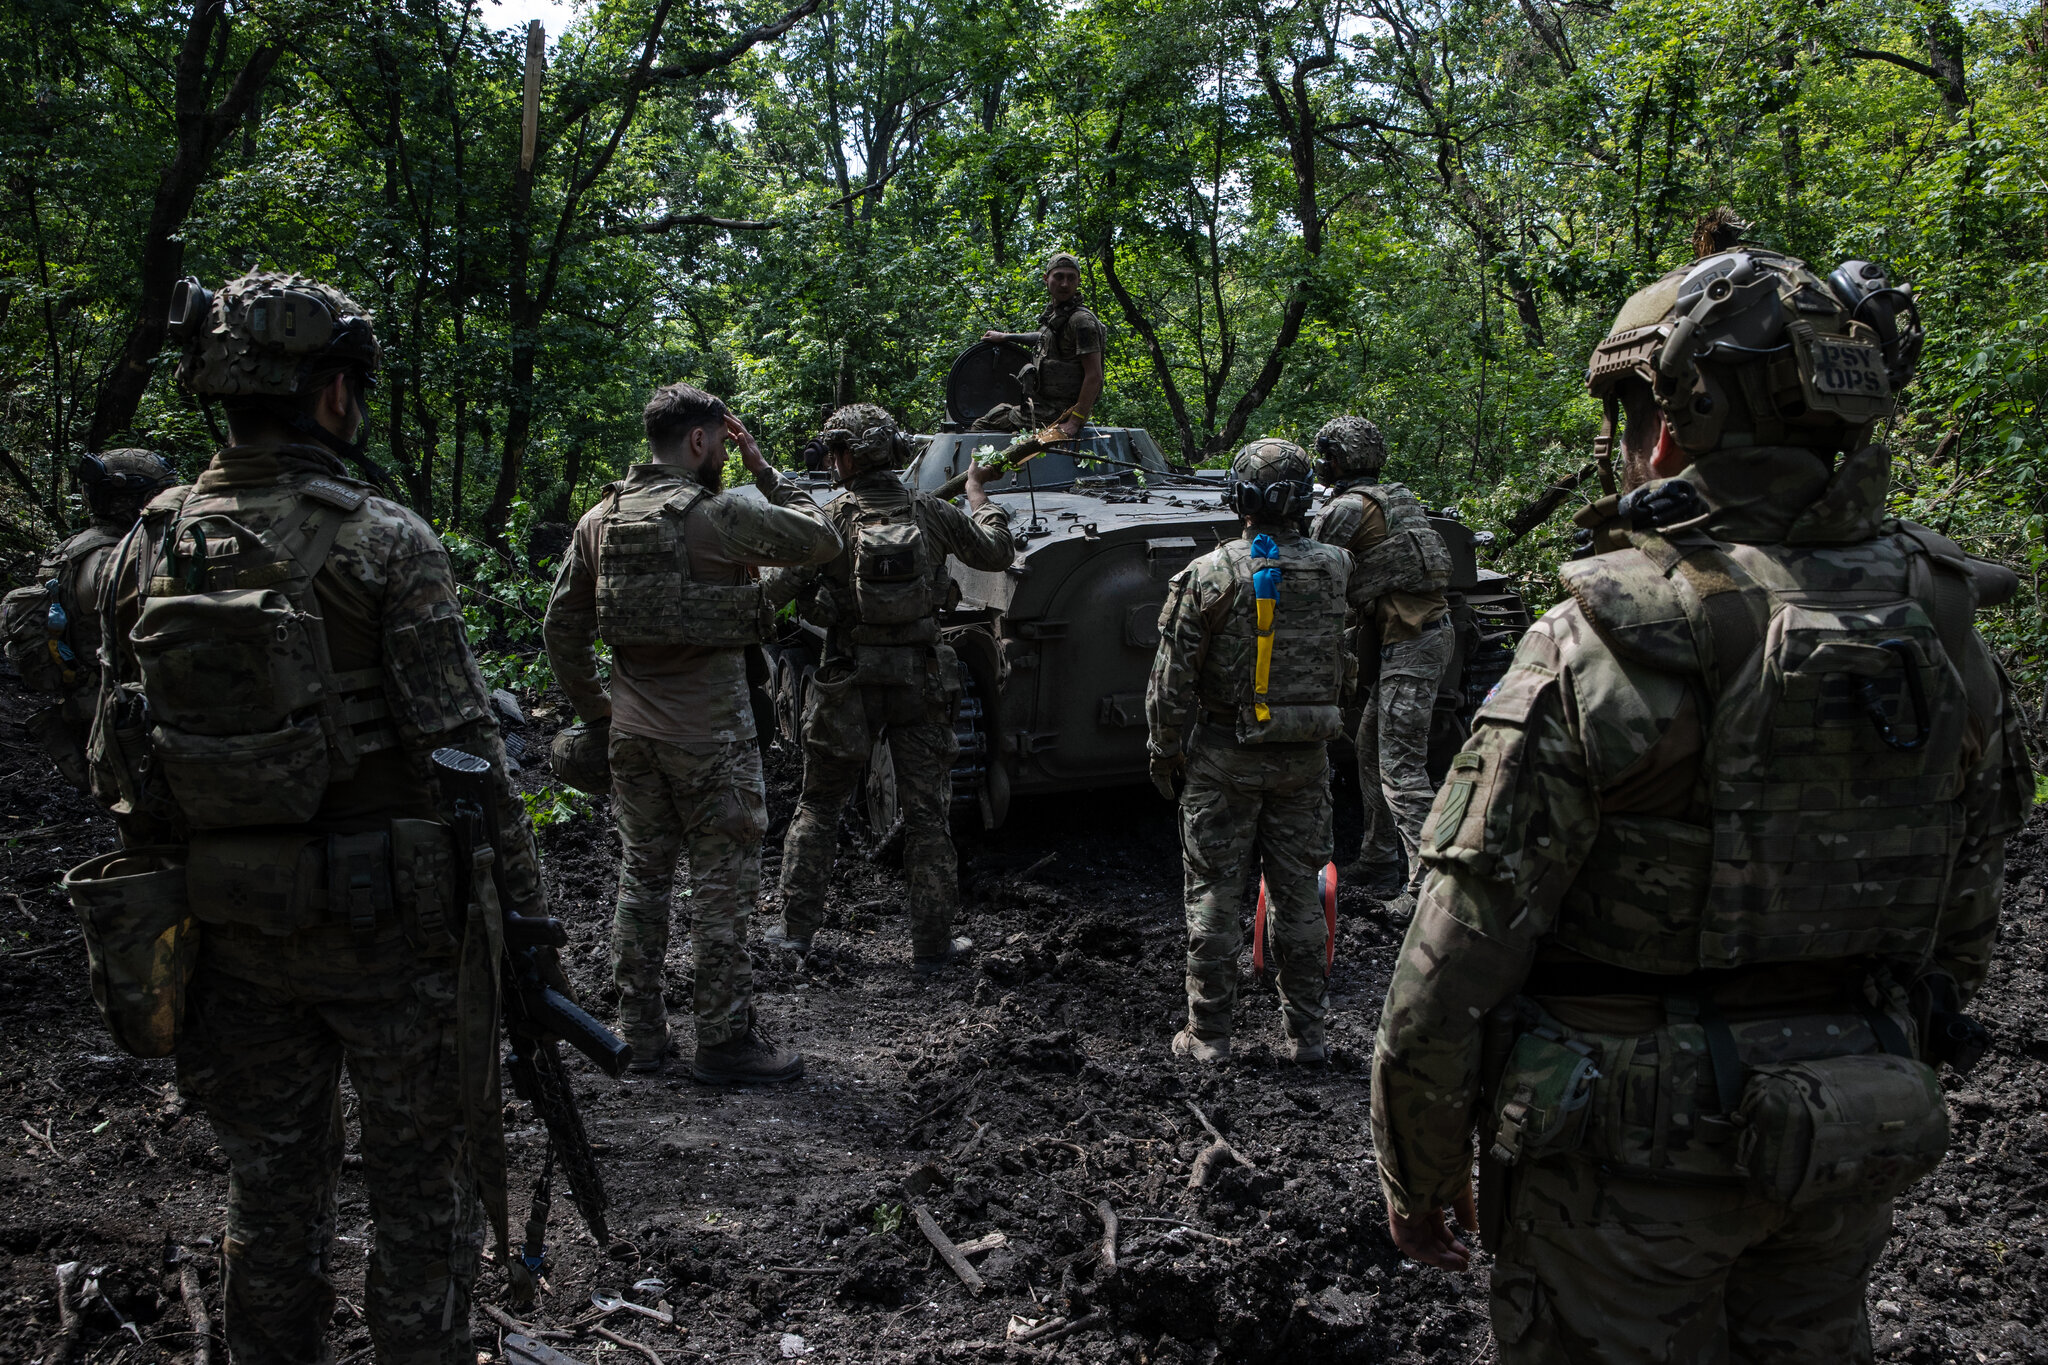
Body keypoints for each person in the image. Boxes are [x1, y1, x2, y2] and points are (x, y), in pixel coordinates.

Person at [1370, 246, 2034, 1362]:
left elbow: (1453, 958)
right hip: (1841, 1134)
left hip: (1617, 1177)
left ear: (1672, 425)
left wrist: (1417, 1168)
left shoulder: (1602, 640)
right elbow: (1963, 921)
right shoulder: (1946, 625)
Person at [91, 270, 543, 1364]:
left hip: (230, 929)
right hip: (392, 933)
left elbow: (119, 758)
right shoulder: (382, 541)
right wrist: (529, 919)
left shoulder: (142, 545)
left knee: (270, 1188)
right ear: (331, 394)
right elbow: (463, 756)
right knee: (418, 1199)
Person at [542, 382, 840, 1082]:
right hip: (713, 741)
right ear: (702, 441)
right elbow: (823, 538)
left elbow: (562, 627)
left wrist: (598, 711)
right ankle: (724, 1041)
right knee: (722, 890)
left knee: (641, 881)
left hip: (631, 739)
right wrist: (766, 469)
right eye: (722, 443)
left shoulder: (600, 519)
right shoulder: (724, 514)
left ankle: (640, 1038)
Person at [765, 403, 1014, 972]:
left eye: (834, 451)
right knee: (929, 815)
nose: (830, 461)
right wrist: (978, 493)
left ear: (850, 455)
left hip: (847, 679)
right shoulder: (931, 512)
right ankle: (932, 943)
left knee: (819, 806)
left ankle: (797, 932)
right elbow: (997, 552)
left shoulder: (831, 520)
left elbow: (775, 593)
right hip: (920, 682)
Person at [1146, 439, 1360, 1064]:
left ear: (1238, 498)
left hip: (1223, 757)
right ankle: (1308, 1037)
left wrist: (1164, 753)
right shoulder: (1336, 566)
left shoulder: (1210, 574)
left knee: (1214, 890)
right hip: (1306, 759)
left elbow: (1171, 680)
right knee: (1300, 895)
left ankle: (1209, 1035)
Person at [1308, 417, 1452, 908]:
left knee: (1402, 771)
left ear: (1336, 459)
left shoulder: (1347, 508)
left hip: (1410, 645)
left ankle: (1428, 889)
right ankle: (1378, 856)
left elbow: (1311, 558)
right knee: (1369, 750)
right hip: (1418, 639)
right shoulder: (1395, 497)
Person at [2, 449, 176, 802]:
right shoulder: (119, 558)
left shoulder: (73, 548)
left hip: (88, 705)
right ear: (137, 501)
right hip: (121, 714)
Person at [981, 250, 1105, 436]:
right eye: (1059, 277)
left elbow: (1094, 376)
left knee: (983, 425)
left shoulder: (1081, 322)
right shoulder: (1060, 316)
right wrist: (1006, 336)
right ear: (1046, 279)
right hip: (1046, 407)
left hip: (1057, 414)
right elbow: (1042, 339)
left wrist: (1074, 422)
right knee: (999, 411)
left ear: (1079, 281)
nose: (1065, 284)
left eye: (1071, 278)